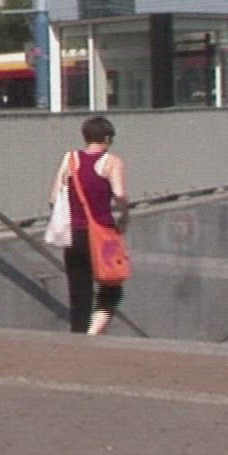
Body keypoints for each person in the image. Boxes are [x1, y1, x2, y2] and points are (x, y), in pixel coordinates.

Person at [48, 115, 128, 335]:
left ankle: (79, 334)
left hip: (73, 234)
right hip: (103, 232)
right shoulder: (112, 161)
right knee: (112, 285)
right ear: (107, 138)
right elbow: (119, 194)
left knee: (78, 289)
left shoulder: (70, 159)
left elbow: (53, 198)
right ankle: (94, 331)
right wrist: (124, 214)